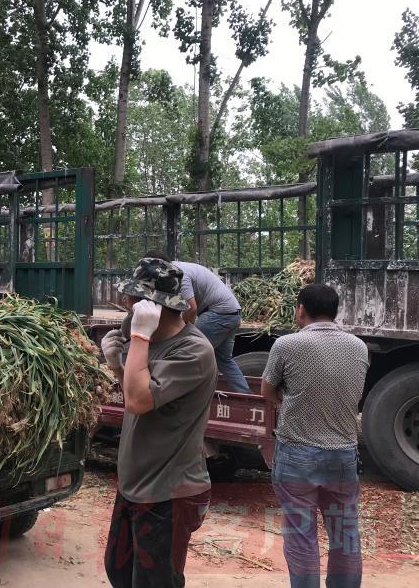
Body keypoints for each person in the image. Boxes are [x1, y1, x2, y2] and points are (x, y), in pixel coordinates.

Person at [100, 257, 216, 588]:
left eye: (134, 300)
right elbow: (143, 400)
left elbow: (137, 400)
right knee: (119, 571)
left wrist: (138, 338)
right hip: (136, 484)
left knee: (154, 582)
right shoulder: (149, 340)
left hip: (169, 491)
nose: (125, 305)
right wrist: (117, 366)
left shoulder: (193, 352)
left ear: (154, 307)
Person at [261, 284, 368, 588]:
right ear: (336, 312)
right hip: (344, 455)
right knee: (345, 534)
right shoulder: (358, 347)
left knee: (301, 534)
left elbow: (267, 390)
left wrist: (289, 399)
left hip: (297, 454)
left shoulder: (287, 345)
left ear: (301, 309)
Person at [146, 250, 249, 393]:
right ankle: (246, 396)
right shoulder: (176, 269)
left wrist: (183, 332)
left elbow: (191, 309)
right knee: (224, 360)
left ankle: (177, 395)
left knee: (186, 351)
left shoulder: (179, 274)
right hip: (232, 313)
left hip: (219, 313)